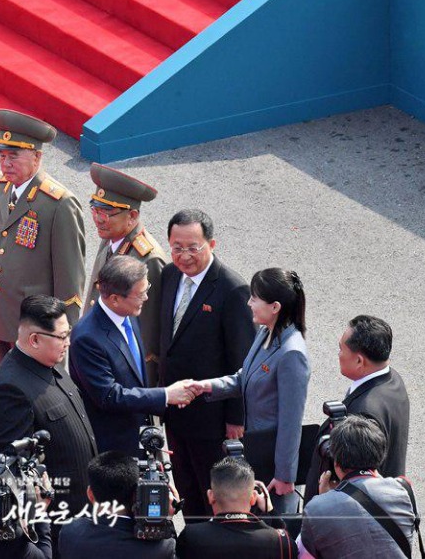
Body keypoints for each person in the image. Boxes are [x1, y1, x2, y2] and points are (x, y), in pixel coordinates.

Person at [158, 209, 253, 521]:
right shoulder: (168, 276)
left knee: (210, 493)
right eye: (176, 247)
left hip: (211, 418)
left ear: (211, 244)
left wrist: (235, 419)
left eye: (192, 247)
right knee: (185, 488)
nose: (184, 256)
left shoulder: (232, 289)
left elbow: (241, 361)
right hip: (175, 410)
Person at [190, 268, 311, 513]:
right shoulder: (266, 332)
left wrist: (285, 475)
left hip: (272, 465)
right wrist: (207, 386)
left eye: (255, 298)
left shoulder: (292, 354)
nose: (249, 303)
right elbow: (244, 377)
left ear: (275, 307)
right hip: (256, 451)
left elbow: (291, 422)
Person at [0, 295, 98, 552]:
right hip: (60, 521)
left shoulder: (48, 362)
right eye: (61, 337)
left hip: (85, 509)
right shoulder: (10, 388)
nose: (68, 342)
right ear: (34, 339)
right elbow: (15, 469)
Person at [0, 110, 87, 365]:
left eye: (13, 156)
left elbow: (70, 275)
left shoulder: (59, 204)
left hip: (37, 325)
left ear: (37, 156)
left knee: (38, 392)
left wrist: (62, 330)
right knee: (8, 384)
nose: (5, 164)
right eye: (2, 155)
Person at [69, 256, 196, 455]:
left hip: (138, 435)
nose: (146, 298)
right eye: (140, 294)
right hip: (113, 445)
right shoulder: (87, 338)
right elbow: (109, 395)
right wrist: (165, 395)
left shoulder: (127, 316)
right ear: (115, 299)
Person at [303, 315, 410, 502]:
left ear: (360, 361)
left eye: (341, 349)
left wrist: (327, 501)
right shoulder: (392, 380)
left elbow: (356, 477)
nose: (338, 354)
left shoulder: (363, 413)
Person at [83, 164, 169, 385]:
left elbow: (149, 335)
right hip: (99, 352)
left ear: (132, 215)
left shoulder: (148, 259)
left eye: (107, 212)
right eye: (95, 208)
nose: (98, 218)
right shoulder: (111, 236)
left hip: (123, 371)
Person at [298, 416, 419, 559]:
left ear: (336, 462)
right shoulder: (404, 491)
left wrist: (323, 499)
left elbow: (303, 555)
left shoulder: (317, 509)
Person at [59, 451, 176, 559]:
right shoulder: (162, 547)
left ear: (90, 494)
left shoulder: (70, 533)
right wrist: (165, 520)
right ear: (136, 494)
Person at [176, 457, 296, 558]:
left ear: (211, 496)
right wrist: (270, 511)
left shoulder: (191, 537)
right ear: (253, 497)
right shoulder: (280, 541)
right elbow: (288, 546)